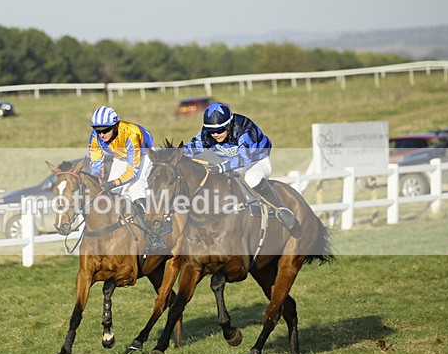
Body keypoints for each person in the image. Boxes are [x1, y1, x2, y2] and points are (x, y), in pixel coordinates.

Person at [181, 102, 298, 232]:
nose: (215, 135)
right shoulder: (207, 133)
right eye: (211, 131)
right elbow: (190, 148)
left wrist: (222, 168)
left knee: (252, 179)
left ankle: (279, 208)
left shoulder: (245, 129)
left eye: (219, 130)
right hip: (226, 163)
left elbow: (244, 158)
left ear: (229, 125)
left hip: (255, 161)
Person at [88, 106, 166, 251]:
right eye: (98, 130)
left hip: (144, 156)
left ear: (115, 126)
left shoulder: (131, 134)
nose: (102, 134)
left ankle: (154, 236)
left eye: (105, 130)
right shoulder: (95, 137)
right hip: (120, 157)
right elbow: (96, 165)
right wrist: (98, 181)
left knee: (135, 190)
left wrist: (112, 183)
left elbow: (132, 173)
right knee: (112, 196)